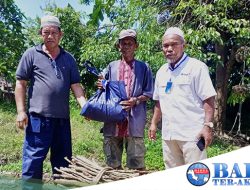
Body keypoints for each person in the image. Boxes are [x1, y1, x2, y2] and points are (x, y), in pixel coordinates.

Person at [15, 15, 86, 181]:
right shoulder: (31, 54)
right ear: (41, 33)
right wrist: (20, 111)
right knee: (32, 164)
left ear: (60, 34)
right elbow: (20, 83)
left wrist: (85, 107)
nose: (50, 36)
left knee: (63, 166)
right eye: (46, 32)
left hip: (62, 122)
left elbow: (76, 86)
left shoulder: (69, 59)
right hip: (37, 121)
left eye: (54, 32)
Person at [148, 27, 216, 169]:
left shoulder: (196, 67)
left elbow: (209, 99)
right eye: (166, 45)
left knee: (196, 177)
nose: (169, 49)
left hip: (192, 136)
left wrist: (207, 127)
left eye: (174, 44)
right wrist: (154, 124)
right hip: (169, 136)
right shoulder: (161, 72)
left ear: (183, 45)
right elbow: (159, 101)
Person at [98, 29, 154, 170]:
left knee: (136, 163)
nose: (127, 46)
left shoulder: (144, 67)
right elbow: (102, 85)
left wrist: (135, 100)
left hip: (134, 119)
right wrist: (101, 84)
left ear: (136, 46)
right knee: (112, 162)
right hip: (113, 119)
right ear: (119, 46)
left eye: (130, 43)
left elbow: (149, 92)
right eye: (123, 43)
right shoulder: (111, 66)